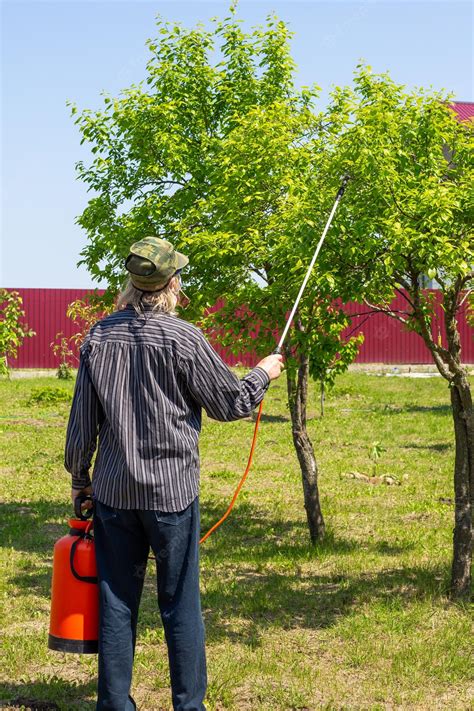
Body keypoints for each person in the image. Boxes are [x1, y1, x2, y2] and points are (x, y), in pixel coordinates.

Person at [64, 236, 284, 711]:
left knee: (116, 602)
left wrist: (80, 478)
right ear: (171, 284)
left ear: (132, 284)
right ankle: (189, 706)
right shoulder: (186, 338)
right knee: (179, 605)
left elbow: (82, 422)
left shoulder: (99, 336)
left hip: (114, 495)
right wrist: (264, 372)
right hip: (171, 496)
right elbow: (231, 403)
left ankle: (115, 705)